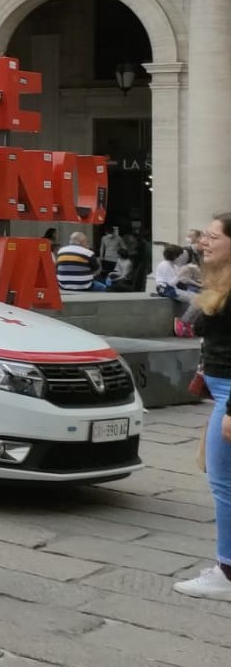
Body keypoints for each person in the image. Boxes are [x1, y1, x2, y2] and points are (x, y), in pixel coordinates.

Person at [172, 214, 231, 601]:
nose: (201, 242)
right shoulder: (219, 281)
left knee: (223, 485)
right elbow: (189, 325)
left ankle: (226, 573)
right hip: (221, 390)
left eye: (211, 237)